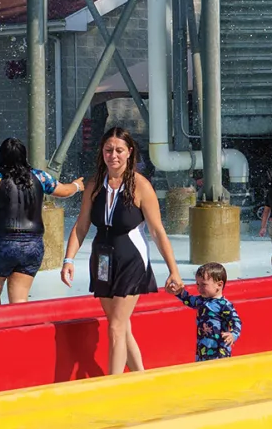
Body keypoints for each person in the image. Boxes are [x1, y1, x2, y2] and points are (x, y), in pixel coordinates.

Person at [61, 127, 183, 375]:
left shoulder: (141, 186)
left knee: (116, 327)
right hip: (103, 258)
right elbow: (81, 225)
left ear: (129, 152)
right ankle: (141, 379)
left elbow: (158, 232)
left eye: (118, 150)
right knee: (120, 325)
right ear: (102, 152)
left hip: (131, 259)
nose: (113, 155)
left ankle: (112, 386)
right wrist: (68, 259)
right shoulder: (94, 185)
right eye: (108, 150)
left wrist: (174, 271)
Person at [0, 138, 83, 307]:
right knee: (19, 301)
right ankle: (19, 332)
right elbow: (64, 191)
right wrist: (77, 186)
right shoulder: (40, 177)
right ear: (24, 156)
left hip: (1, 244)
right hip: (31, 246)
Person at [168, 262, 241, 361]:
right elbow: (189, 300)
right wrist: (179, 292)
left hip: (219, 352)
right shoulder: (201, 301)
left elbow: (235, 320)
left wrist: (233, 334)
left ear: (219, 285)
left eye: (204, 284)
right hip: (202, 349)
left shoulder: (224, 305)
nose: (199, 288)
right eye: (198, 284)